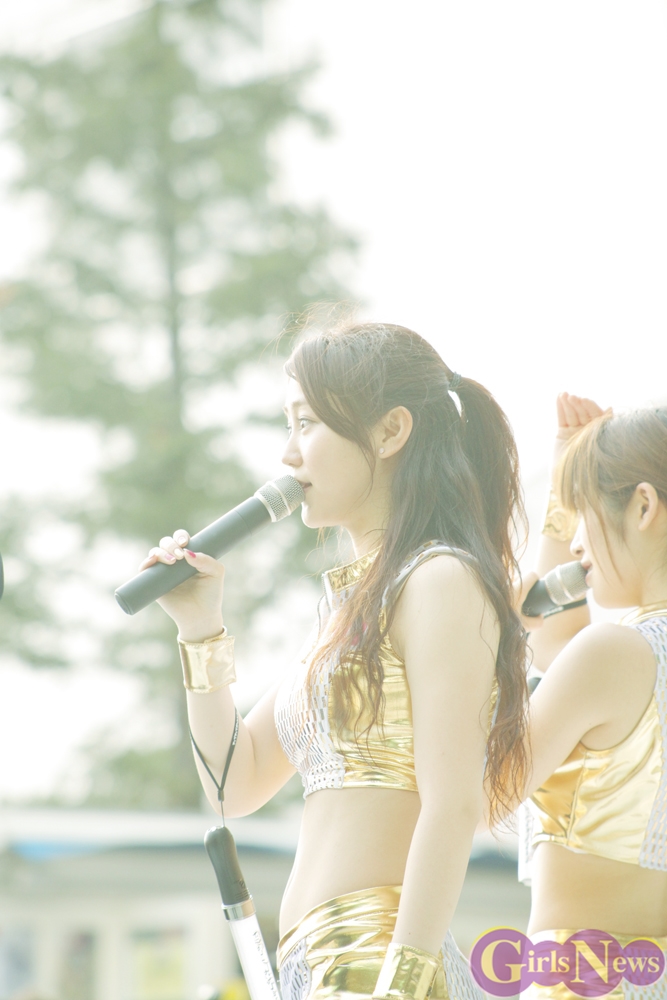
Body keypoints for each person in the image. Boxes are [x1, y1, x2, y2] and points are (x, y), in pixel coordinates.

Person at [141, 322, 529, 1000]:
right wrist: (201, 629)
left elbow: (453, 803)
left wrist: (401, 983)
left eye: (308, 423)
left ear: (390, 431)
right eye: (288, 425)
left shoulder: (439, 579)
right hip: (308, 965)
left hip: (377, 959)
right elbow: (234, 787)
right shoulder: (342, 612)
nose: (288, 453)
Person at [516, 395, 667, 1000]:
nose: (577, 543)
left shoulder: (615, 652)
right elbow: (561, 653)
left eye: (583, 514)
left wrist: (490, 644)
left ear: (643, 506)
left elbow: (481, 788)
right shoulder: (618, 656)